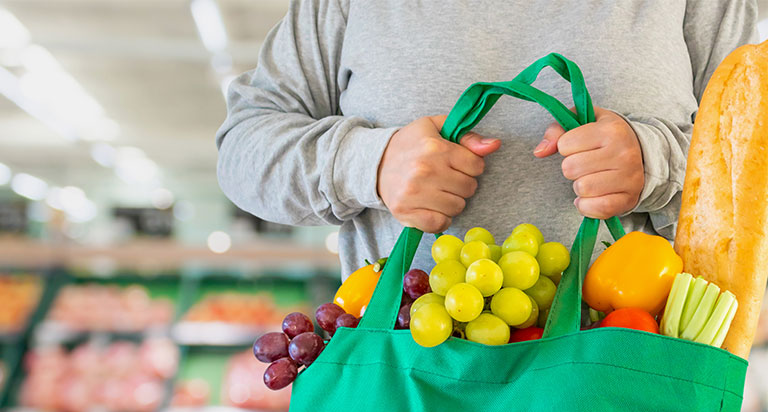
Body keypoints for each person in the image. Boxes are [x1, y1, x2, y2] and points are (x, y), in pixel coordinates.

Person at [216, 1, 758, 281]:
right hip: (412, 396)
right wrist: (371, 164)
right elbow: (244, 147)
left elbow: (755, 166)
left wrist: (656, 163)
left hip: (627, 392)